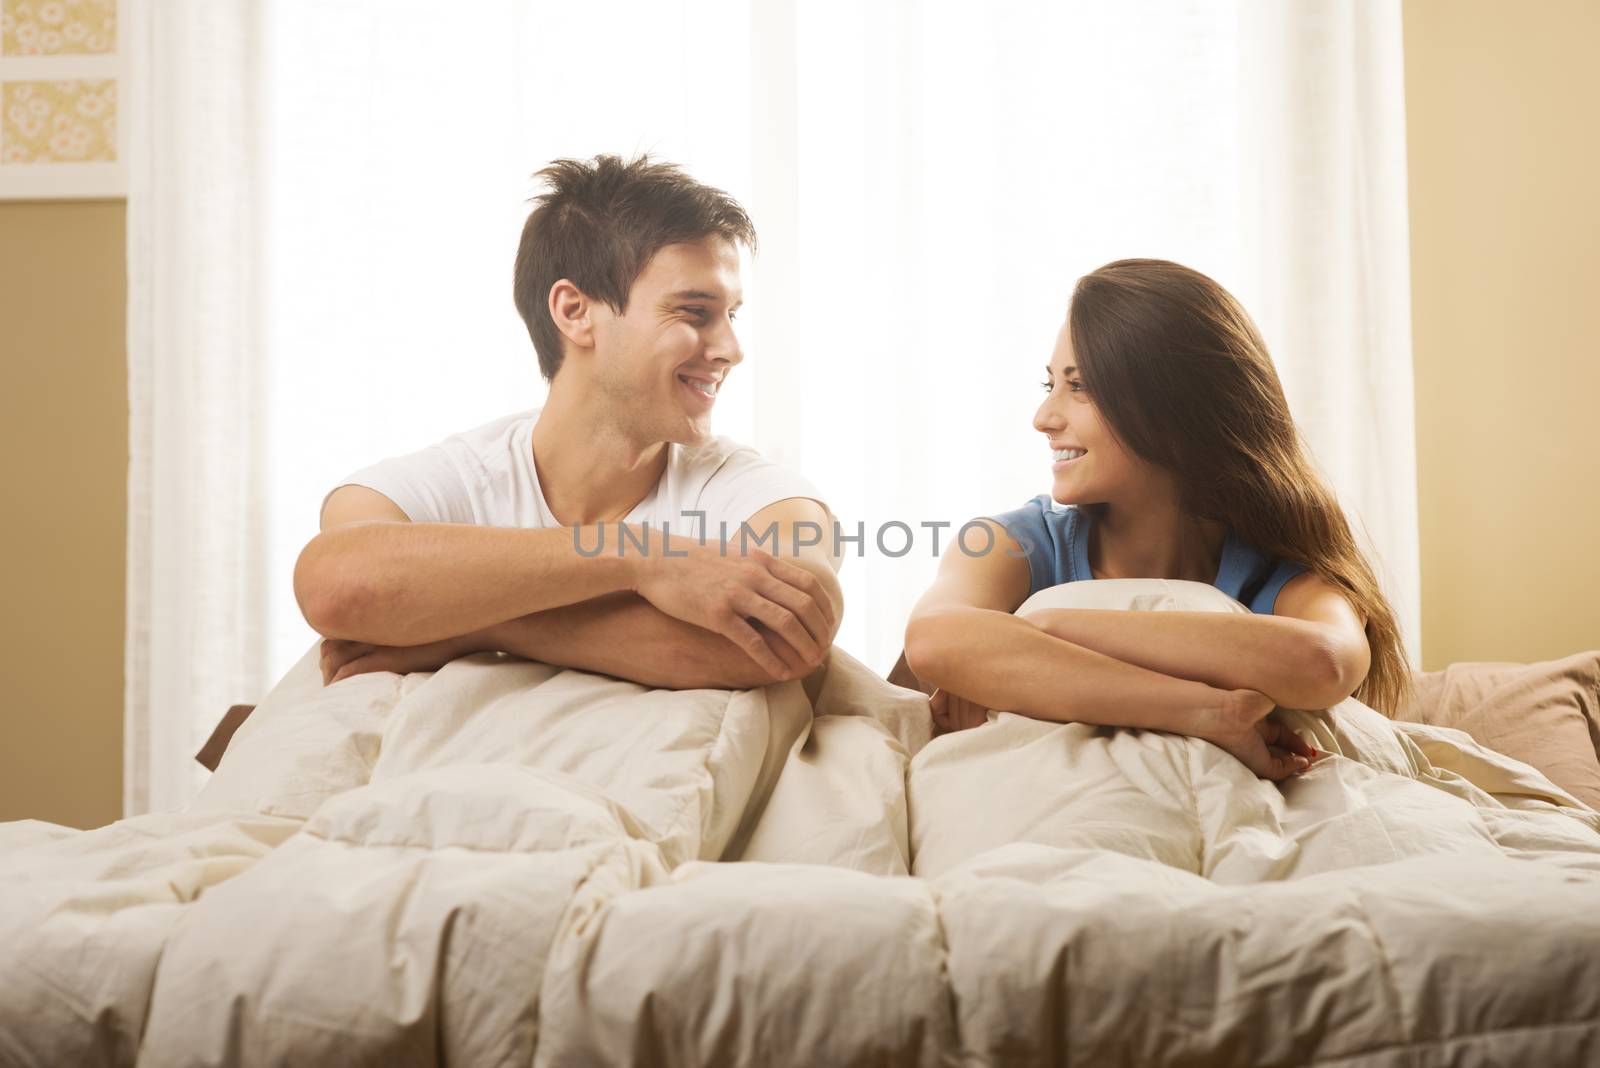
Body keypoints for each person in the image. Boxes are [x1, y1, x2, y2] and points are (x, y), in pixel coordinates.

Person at [296, 154, 842, 690]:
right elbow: (333, 587)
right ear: (575, 312)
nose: (731, 349)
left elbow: (780, 644)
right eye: (694, 313)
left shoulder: (756, 492)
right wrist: (638, 554)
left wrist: (473, 627)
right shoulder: (458, 477)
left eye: (732, 315)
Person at [903, 259, 1409, 781]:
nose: (1044, 418)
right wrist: (1204, 711)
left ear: (1177, 407)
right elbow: (934, 639)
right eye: (1049, 384)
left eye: (1079, 387)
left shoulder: (1279, 574)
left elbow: (1325, 664)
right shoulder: (1011, 543)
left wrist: (1044, 627)